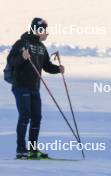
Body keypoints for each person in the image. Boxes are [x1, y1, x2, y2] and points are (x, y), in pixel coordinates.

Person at [7, 18, 65, 159]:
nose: (47, 33)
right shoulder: (22, 43)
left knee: (37, 117)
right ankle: (21, 150)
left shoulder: (41, 47)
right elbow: (11, 61)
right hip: (21, 86)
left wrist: (58, 69)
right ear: (38, 30)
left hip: (34, 87)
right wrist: (22, 56)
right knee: (25, 115)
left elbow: (46, 66)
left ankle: (33, 150)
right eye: (45, 30)